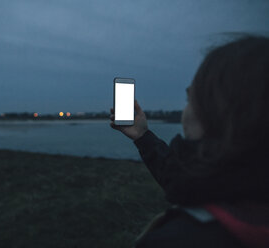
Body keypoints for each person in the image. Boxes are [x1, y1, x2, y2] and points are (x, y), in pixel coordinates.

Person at [110, 35, 269, 248]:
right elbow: (184, 177)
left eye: (190, 99)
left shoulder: (179, 239)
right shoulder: (249, 181)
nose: (185, 111)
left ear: (216, 114)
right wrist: (142, 136)